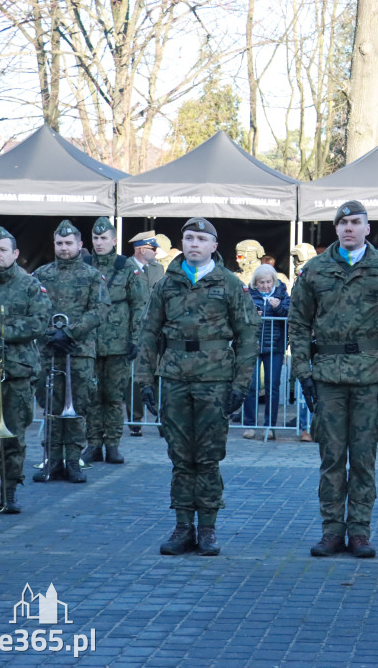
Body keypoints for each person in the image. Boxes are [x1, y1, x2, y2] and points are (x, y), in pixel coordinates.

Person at [288, 200, 378, 559]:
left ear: (367, 228)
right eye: (342, 222)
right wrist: (304, 373)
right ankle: (331, 531)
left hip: (370, 377)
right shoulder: (315, 270)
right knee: (331, 457)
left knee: (363, 458)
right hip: (327, 377)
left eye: (356, 222)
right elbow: (298, 325)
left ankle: (359, 531)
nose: (348, 228)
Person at [136, 217, 259, 556]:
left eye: (201, 239)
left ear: (214, 246)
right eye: (188, 238)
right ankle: (181, 526)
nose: (194, 244)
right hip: (174, 378)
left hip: (214, 380)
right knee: (179, 455)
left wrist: (241, 384)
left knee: (207, 457)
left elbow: (248, 336)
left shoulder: (230, 284)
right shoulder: (166, 284)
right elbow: (148, 333)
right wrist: (144, 379)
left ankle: (207, 528)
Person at [0, 226, 52, 515]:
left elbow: (39, 322)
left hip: (17, 372)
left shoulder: (30, 285)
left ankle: (9, 490)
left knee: (13, 435)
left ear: (15, 254)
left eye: (2, 249)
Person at [32, 220, 110, 484]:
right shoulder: (41, 274)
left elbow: (100, 310)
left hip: (79, 350)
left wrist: (70, 332)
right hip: (49, 350)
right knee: (52, 406)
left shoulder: (91, 276)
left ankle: (74, 460)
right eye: (59, 243)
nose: (64, 248)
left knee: (76, 406)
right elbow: (33, 310)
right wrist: (50, 333)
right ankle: (52, 460)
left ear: (80, 245)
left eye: (68, 243)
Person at [83, 217, 146, 465]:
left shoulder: (127, 267)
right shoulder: (84, 265)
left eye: (104, 238)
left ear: (113, 240)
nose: (99, 243)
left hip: (118, 343)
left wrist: (135, 338)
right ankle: (93, 444)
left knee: (113, 397)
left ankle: (113, 445)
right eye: (96, 239)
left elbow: (138, 305)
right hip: (88, 342)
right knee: (91, 396)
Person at [243, 264, 290, 440]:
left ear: (274, 281)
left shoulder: (282, 294)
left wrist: (278, 308)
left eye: (268, 282)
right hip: (253, 345)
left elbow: (289, 313)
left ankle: (270, 426)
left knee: (273, 386)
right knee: (251, 385)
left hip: (275, 346)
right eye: (261, 282)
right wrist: (253, 313)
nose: (265, 286)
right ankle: (249, 425)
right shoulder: (248, 296)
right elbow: (241, 314)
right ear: (255, 283)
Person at [128, 230, 165, 437]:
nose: (156, 252)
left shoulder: (157, 268)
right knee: (134, 377)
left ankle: (160, 417)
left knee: (158, 374)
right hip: (134, 330)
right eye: (153, 249)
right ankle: (135, 419)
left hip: (155, 330)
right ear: (141, 249)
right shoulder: (127, 268)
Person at [290, 243, 318, 442]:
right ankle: (305, 427)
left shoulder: (312, 274)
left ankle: (311, 427)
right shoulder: (302, 276)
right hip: (305, 340)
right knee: (305, 387)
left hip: (318, 340)